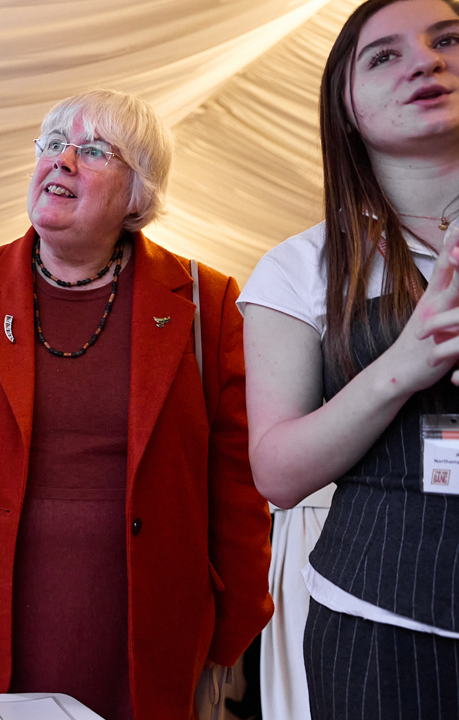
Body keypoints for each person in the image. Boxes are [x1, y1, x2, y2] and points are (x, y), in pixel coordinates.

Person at [0, 89, 273, 720]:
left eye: (93, 151)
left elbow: (237, 481)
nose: (62, 161)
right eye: (54, 145)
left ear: (137, 192)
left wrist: (238, 617)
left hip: (147, 629)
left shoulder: (206, 301)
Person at [239, 0, 459, 716]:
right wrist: (404, 364)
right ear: (346, 108)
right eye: (384, 55)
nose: (426, 61)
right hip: (382, 626)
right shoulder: (299, 268)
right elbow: (277, 474)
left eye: (448, 39)